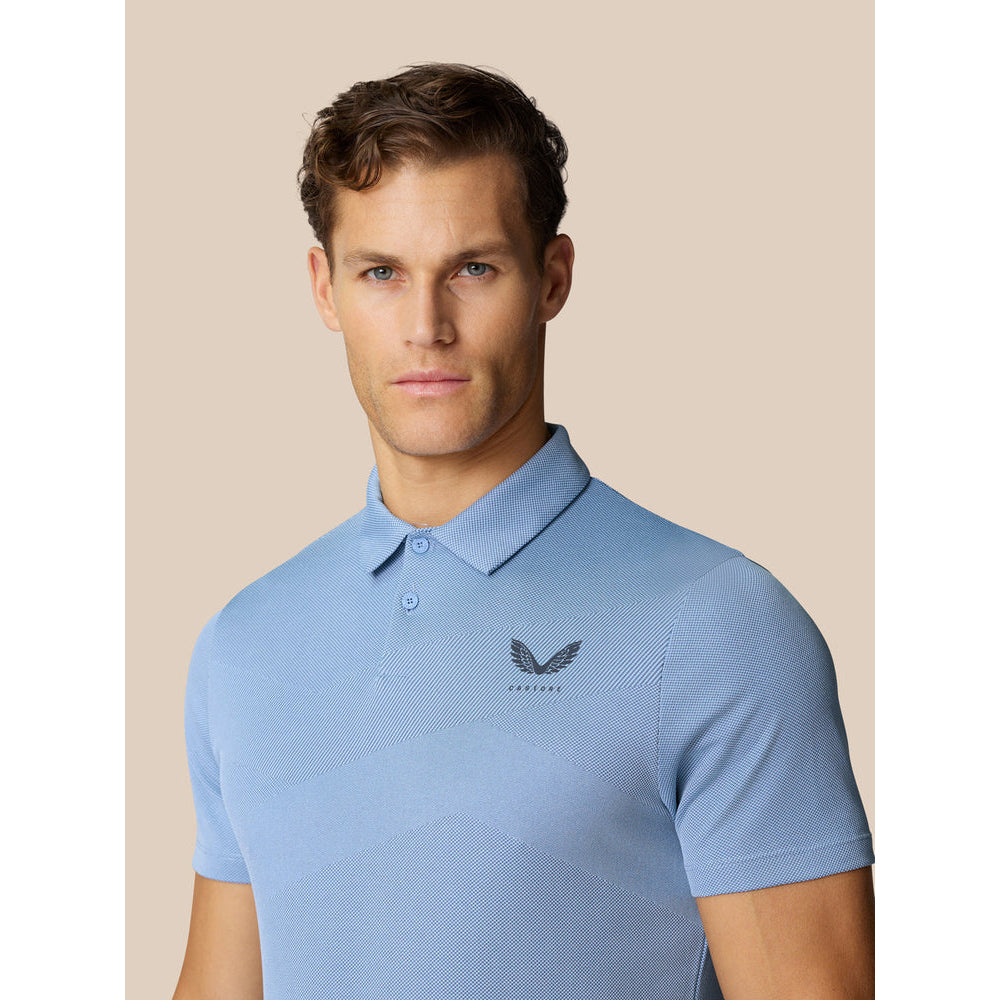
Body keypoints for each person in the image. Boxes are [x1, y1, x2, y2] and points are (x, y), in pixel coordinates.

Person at [173, 63, 874, 1000]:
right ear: (324, 289)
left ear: (553, 278)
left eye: (474, 268)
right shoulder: (244, 643)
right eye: (381, 272)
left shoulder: (720, 627)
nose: (427, 326)